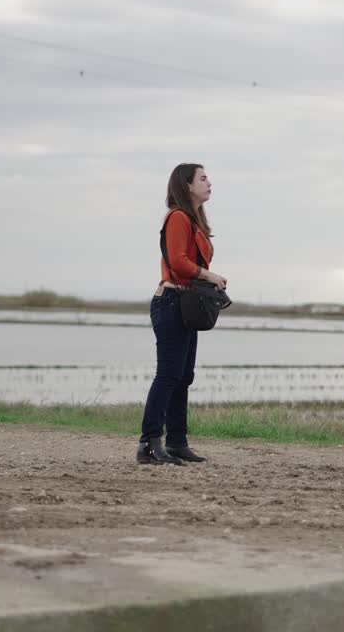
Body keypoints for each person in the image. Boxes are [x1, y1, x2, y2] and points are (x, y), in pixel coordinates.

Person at [137, 163, 227, 465]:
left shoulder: (193, 221)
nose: (209, 182)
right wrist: (209, 275)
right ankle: (148, 444)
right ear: (186, 185)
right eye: (203, 178)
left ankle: (177, 442)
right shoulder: (177, 217)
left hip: (185, 303)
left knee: (183, 377)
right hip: (171, 301)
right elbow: (177, 262)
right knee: (168, 375)